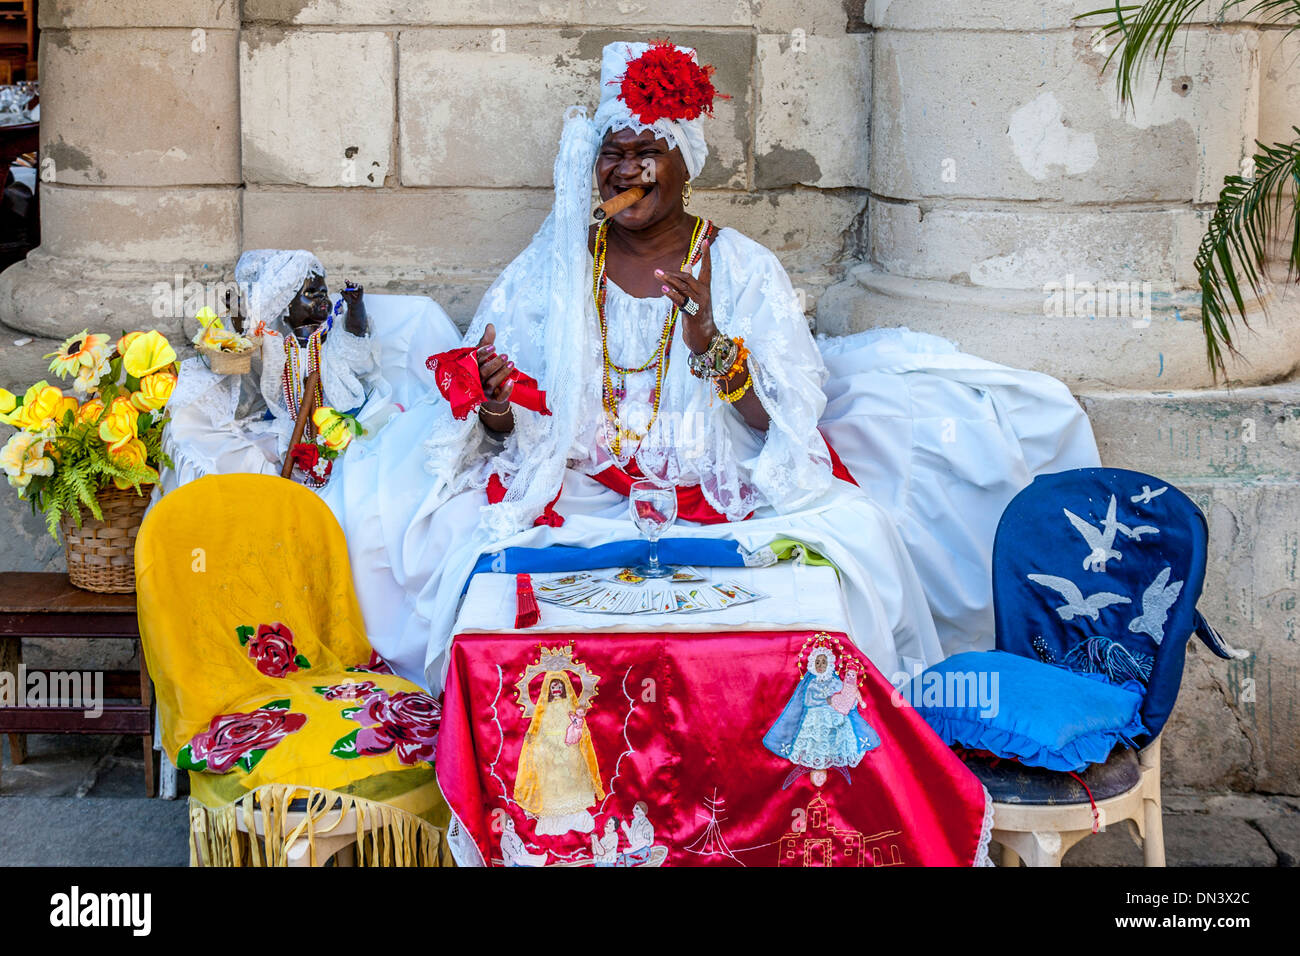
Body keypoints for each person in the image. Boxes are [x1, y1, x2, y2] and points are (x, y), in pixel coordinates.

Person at [322, 41, 1099, 693]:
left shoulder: (745, 268)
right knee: (463, 563)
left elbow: (782, 420)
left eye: (647, 153)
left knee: (858, 550)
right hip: (585, 497)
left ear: (685, 162)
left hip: (719, 492)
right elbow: (504, 425)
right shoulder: (550, 270)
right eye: (613, 154)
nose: (627, 171)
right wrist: (495, 405)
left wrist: (714, 349)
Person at [160, 249, 459, 493]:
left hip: (339, 425)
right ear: (284, 306)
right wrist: (241, 317)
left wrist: (356, 311)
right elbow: (247, 351)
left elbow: (355, 348)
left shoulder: (330, 336)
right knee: (250, 458)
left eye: (323, 293)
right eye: (310, 294)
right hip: (287, 428)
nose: (321, 301)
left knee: (364, 459)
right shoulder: (274, 341)